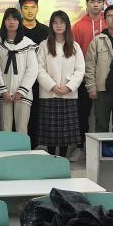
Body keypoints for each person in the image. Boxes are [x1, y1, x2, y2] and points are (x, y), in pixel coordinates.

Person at [36, 11, 85, 157]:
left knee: (66, 132)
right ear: (51, 25)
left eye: (62, 22)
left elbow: (80, 69)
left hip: (68, 94)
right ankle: (51, 158)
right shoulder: (44, 45)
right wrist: (52, 86)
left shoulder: (74, 46)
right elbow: (39, 69)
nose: (59, 25)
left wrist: (69, 87)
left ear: (67, 25)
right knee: (50, 132)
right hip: (49, 94)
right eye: (55, 22)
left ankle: (63, 158)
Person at [0, 8, 39, 134]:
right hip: (4, 94)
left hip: (23, 94)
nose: (11, 22)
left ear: (19, 22)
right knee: (4, 130)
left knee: (22, 130)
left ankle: (22, 149)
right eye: (8, 19)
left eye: (15, 19)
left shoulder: (28, 43)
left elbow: (32, 69)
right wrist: (3, 90)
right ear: (4, 22)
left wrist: (21, 90)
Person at [70, 0, 106, 149]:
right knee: (81, 115)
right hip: (84, 79)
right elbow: (73, 54)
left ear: (103, 4)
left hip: (105, 79)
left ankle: (102, 149)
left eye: (99, 1)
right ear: (87, 3)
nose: (96, 5)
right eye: (92, 1)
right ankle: (79, 148)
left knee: (102, 117)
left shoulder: (109, 23)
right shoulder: (77, 26)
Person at [85, 5, 113, 133]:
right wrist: (91, 88)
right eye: (109, 16)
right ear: (105, 20)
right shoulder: (97, 40)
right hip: (102, 90)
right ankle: (102, 147)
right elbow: (90, 65)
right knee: (101, 124)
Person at [19, 0, 49, 147]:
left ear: (37, 8)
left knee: (37, 114)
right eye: (26, 7)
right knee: (19, 116)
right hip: (19, 80)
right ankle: (19, 146)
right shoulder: (16, 29)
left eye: (33, 7)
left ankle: (36, 146)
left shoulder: (46, 31)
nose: (30, 11)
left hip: (40, 81)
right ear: (21, 9)